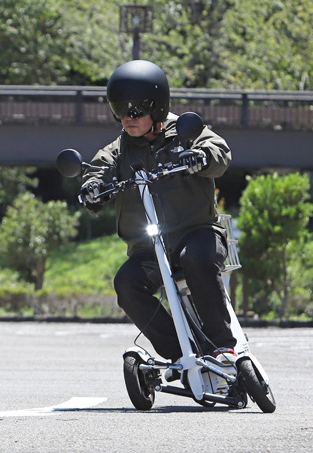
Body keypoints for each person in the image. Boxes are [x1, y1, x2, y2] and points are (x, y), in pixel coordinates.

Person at [81, 60, 236, 369]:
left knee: (197, 258)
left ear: (158, 108)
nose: (127, 118)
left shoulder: (187, 131)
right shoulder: (120, 149)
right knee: (127, 284)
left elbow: (219, 150)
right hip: (150, 248)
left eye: (135, 111)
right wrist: (92, 188)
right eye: (120, 111)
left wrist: (201, 157)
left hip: (198, 232)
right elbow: (97, 169)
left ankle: (223, 347)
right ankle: (180, 352)